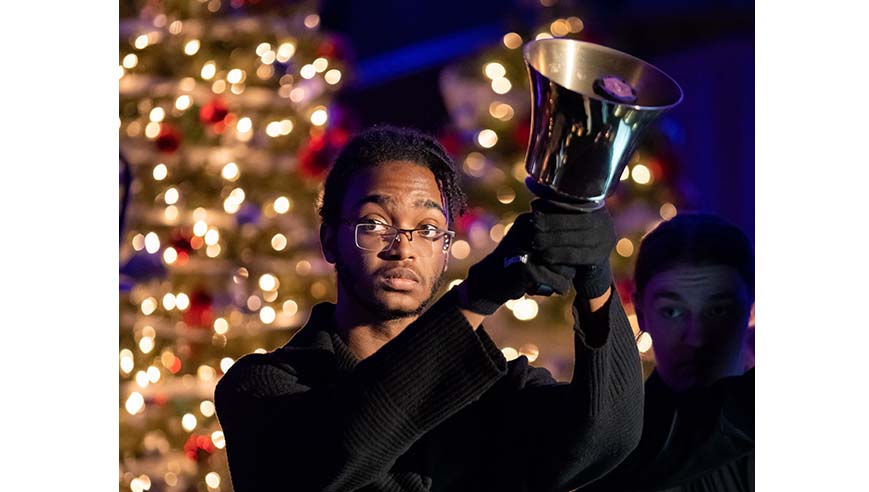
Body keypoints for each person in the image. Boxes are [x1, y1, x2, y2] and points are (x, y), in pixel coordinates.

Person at [214, 125, 645, 491]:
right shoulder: (261, 386)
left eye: (427, 229)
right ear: (330, 241)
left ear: (444, 251)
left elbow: (604, 437)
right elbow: (336, 452)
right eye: (375, 224)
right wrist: (477, 296)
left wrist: (595, 279)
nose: (403, 247)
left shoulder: (493, 393)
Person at [585, 213, 754, 492]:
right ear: (640, 313)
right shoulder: (614, 448)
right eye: (672, 312)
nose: (696, 337)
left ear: (750, 307)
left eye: (718, 310)